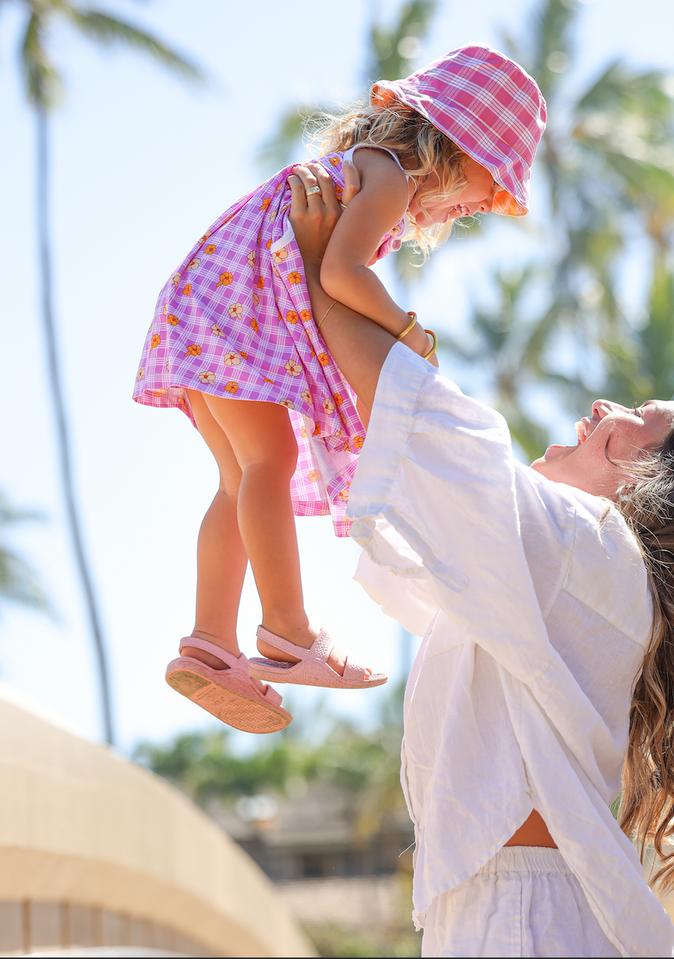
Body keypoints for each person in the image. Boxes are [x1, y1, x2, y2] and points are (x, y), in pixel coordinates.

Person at [284, 161, 674, 956]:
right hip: (515, 908)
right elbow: (409, 454)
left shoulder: (593, 546)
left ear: (657, 484)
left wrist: (319, 266)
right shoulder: (574, 576)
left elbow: (423, 418)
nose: (602, 408)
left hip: (522, 918)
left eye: (636, 418)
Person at [133, 45, 547, 733]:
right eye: (490, 183)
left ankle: (210, 642)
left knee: (238, 480)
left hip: (201, 310)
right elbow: (340, 275)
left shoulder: (362, 166)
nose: (484, 203)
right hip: (233, 318)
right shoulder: (384, 176)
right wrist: (408, 331)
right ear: (459, 146)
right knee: (269, 464)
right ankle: (288, 631)